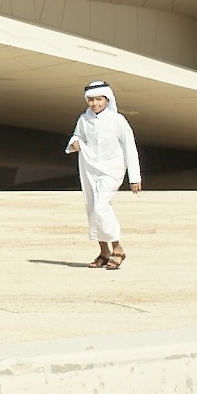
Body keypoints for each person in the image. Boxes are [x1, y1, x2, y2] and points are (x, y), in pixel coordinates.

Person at [65, 80, 142, 269]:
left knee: (101, 207)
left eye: (99, 99)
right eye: (91, 100)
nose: (95, 104)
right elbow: (77, 136)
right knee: (92, 209)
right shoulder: (84, 119)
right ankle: (104, 251)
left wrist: (134, 177)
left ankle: (118, 248)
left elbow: (129, 147)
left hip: (112, 169)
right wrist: (74, 143)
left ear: (107, 99)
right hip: (89, 167)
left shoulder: (118, 120)